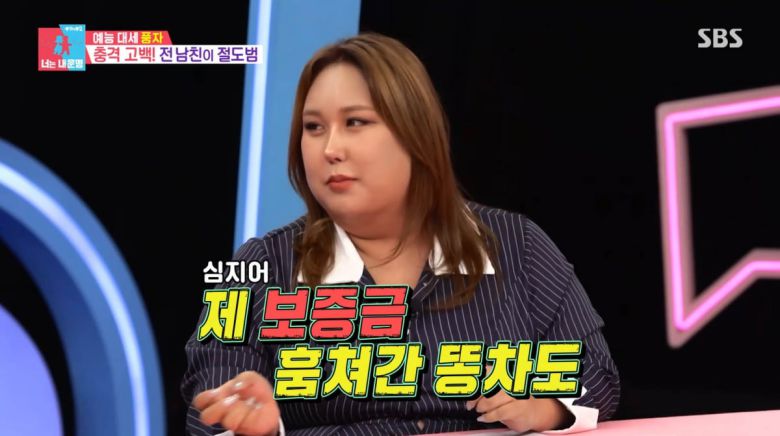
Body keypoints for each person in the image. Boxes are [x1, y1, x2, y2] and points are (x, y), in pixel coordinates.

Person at [181, 32, 620, 436]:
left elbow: (598, 374)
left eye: (356, 122)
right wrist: (254, 427)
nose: (330, 149)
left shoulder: (516, 244)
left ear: (416, 133)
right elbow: (213, 407)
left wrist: (545, 407)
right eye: (314, 127)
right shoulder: (263, 265)